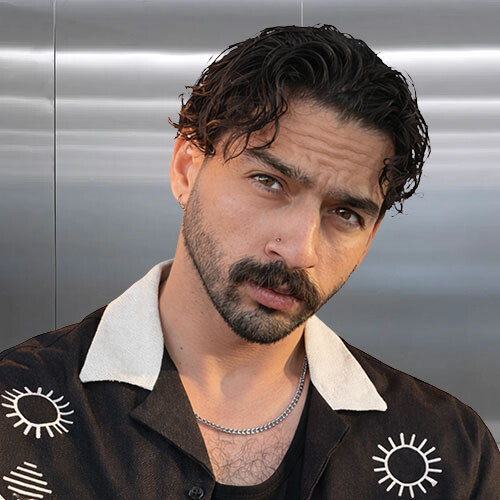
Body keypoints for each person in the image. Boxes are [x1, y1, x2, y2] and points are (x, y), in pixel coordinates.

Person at [0, 25, 498, 500]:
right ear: (187, 169)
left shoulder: (449, 454)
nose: (299, 251)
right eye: (269, 182)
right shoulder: (14, 411)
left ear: (370, 237)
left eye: (345, 213)